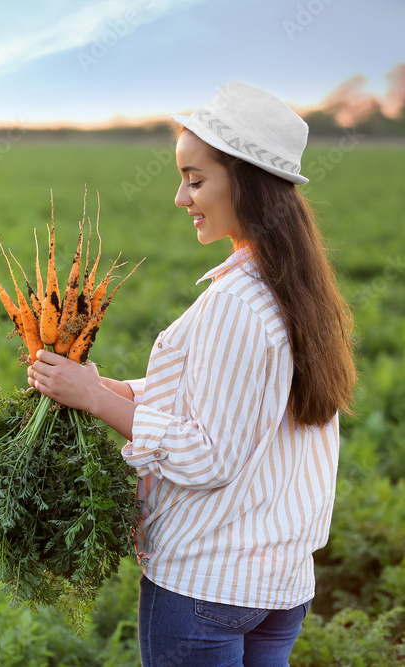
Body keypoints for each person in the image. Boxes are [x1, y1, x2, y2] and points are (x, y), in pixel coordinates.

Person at [27, 81, 356, 666]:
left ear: (248, 185)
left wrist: (101, 404)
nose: (182, 198)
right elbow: (234, 399)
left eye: (195, 179)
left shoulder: (238, 301)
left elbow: (206, 455)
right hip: (279, 585)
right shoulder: (298, 290)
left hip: (207, 581)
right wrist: (105, 388)